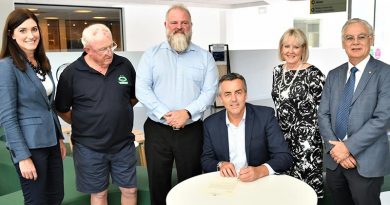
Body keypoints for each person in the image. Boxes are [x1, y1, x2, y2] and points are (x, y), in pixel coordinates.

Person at [136, 4, 218, 205]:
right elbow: (142, 90)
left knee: (191, 184)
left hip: (191, 131)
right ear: (166, 25)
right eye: (174, 22)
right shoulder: (151, 55)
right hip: (158, 130)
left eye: (184, 22)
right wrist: (167, 114)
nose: (179, 27)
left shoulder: (205, 58)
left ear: (191, 26)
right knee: (158, 183)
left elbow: (209, 92)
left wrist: (187, 113)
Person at [55, 24, 138, 205]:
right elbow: (61, 108)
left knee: (130, 190)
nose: (109, 52)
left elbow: (133, 98)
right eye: (102, 49)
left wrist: (116, 112)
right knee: (99, 194)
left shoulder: (124, 65)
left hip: (123, 143)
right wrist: (82, 122)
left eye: (111, 46)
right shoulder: (71, 74)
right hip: (89, 147)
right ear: (87, 50)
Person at [318, 18, 390, 205]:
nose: (355, 42)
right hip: (335, 162)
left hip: (366, 162)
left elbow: (383, 118)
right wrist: (337, 149)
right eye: (349, 38)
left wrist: (347, 148)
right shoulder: (334, 74)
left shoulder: (385, 73)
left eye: (361, 37)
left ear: (371, 39)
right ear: (343, 43)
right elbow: (323, 114)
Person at [0, 9, 66, 205]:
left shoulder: (41, 63)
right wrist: (22, 157)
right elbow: (8, 117)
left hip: (51, 142)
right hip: (30, 146)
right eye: (23, 30)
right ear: (11, 34)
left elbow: (48, 106)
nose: (31, 35)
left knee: (56, 197)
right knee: (37, 201)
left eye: (34, 29)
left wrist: (59, 137)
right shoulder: (6, 66)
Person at [201, 73, 293, 181]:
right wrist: (220, 164)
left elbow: (284, 156)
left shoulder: (265, 116)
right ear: (220, 98)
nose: (234, 99)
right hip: (227, 183)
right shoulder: (210, 123)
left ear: (245, 94)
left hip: (260, 181)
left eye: (238, 92)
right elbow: (206, 160)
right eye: (227, 94)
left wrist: (260, 171)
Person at [271, 28, 326, 198]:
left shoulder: (313, 74)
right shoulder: (277, 71)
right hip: (282, 139)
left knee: (306, 190)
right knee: (285, 188)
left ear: (303, 49)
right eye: (286, 46)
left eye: (296, 47)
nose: (290, 51)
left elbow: (325, 109)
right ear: (281, 48)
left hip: (306, 142)